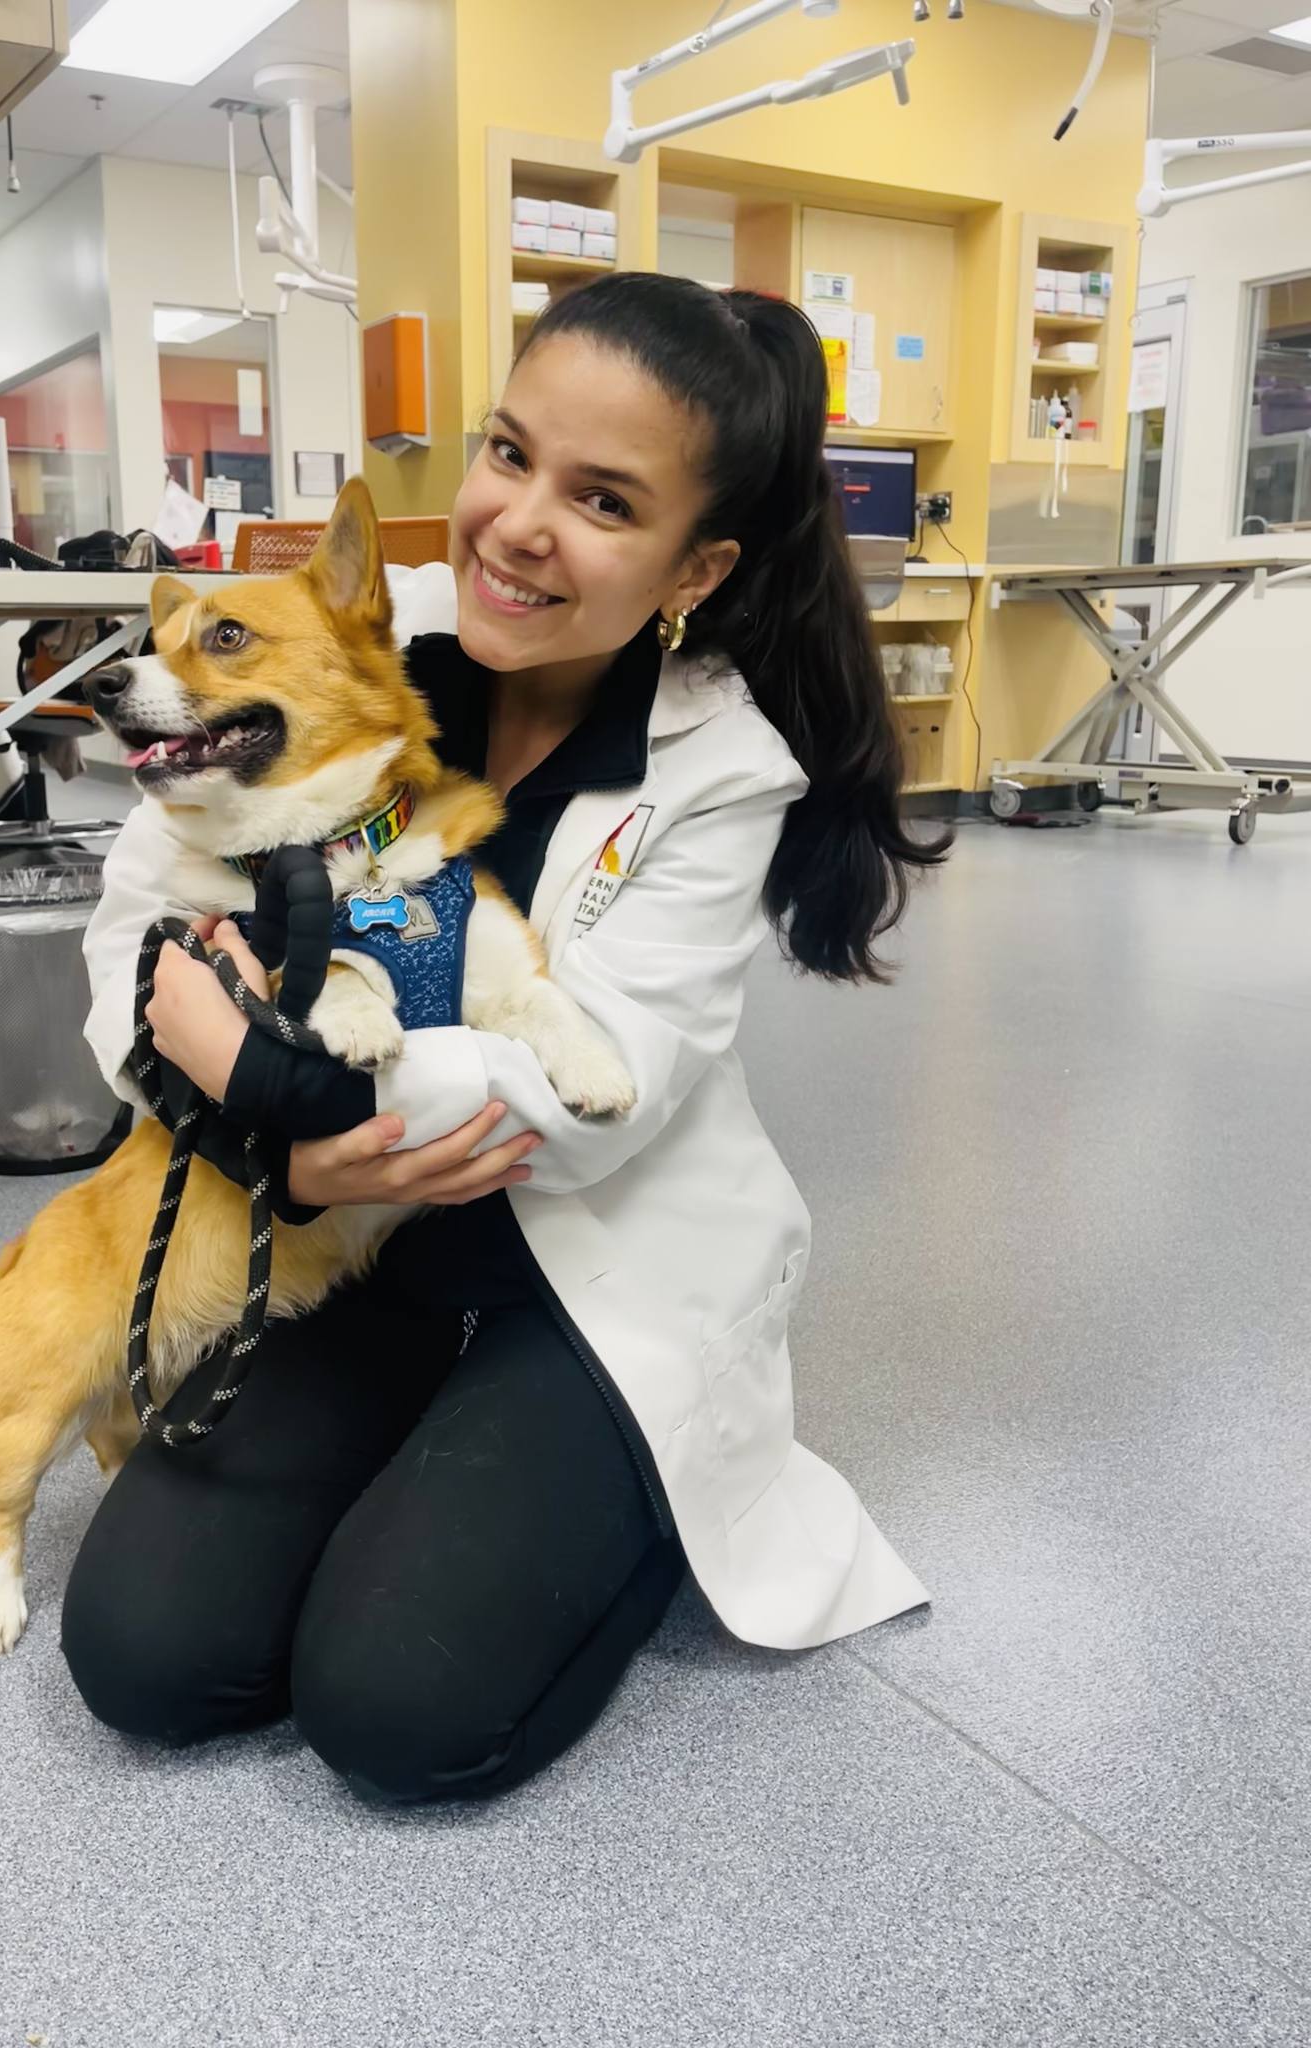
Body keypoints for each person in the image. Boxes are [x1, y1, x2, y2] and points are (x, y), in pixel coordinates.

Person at [64, 272, 946, 1804]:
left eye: (603, 498)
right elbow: (130, 945)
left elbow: (593, 1098)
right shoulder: (341, 649)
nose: (519, 522)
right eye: (506, 451)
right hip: (355, 1252)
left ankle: (630, 1509)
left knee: (397, 1714)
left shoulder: (716, 766)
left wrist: (268, 1081)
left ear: (697, 563)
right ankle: (413, 1476)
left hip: (588, 1267)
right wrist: (241, 1101)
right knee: (149, 1655)